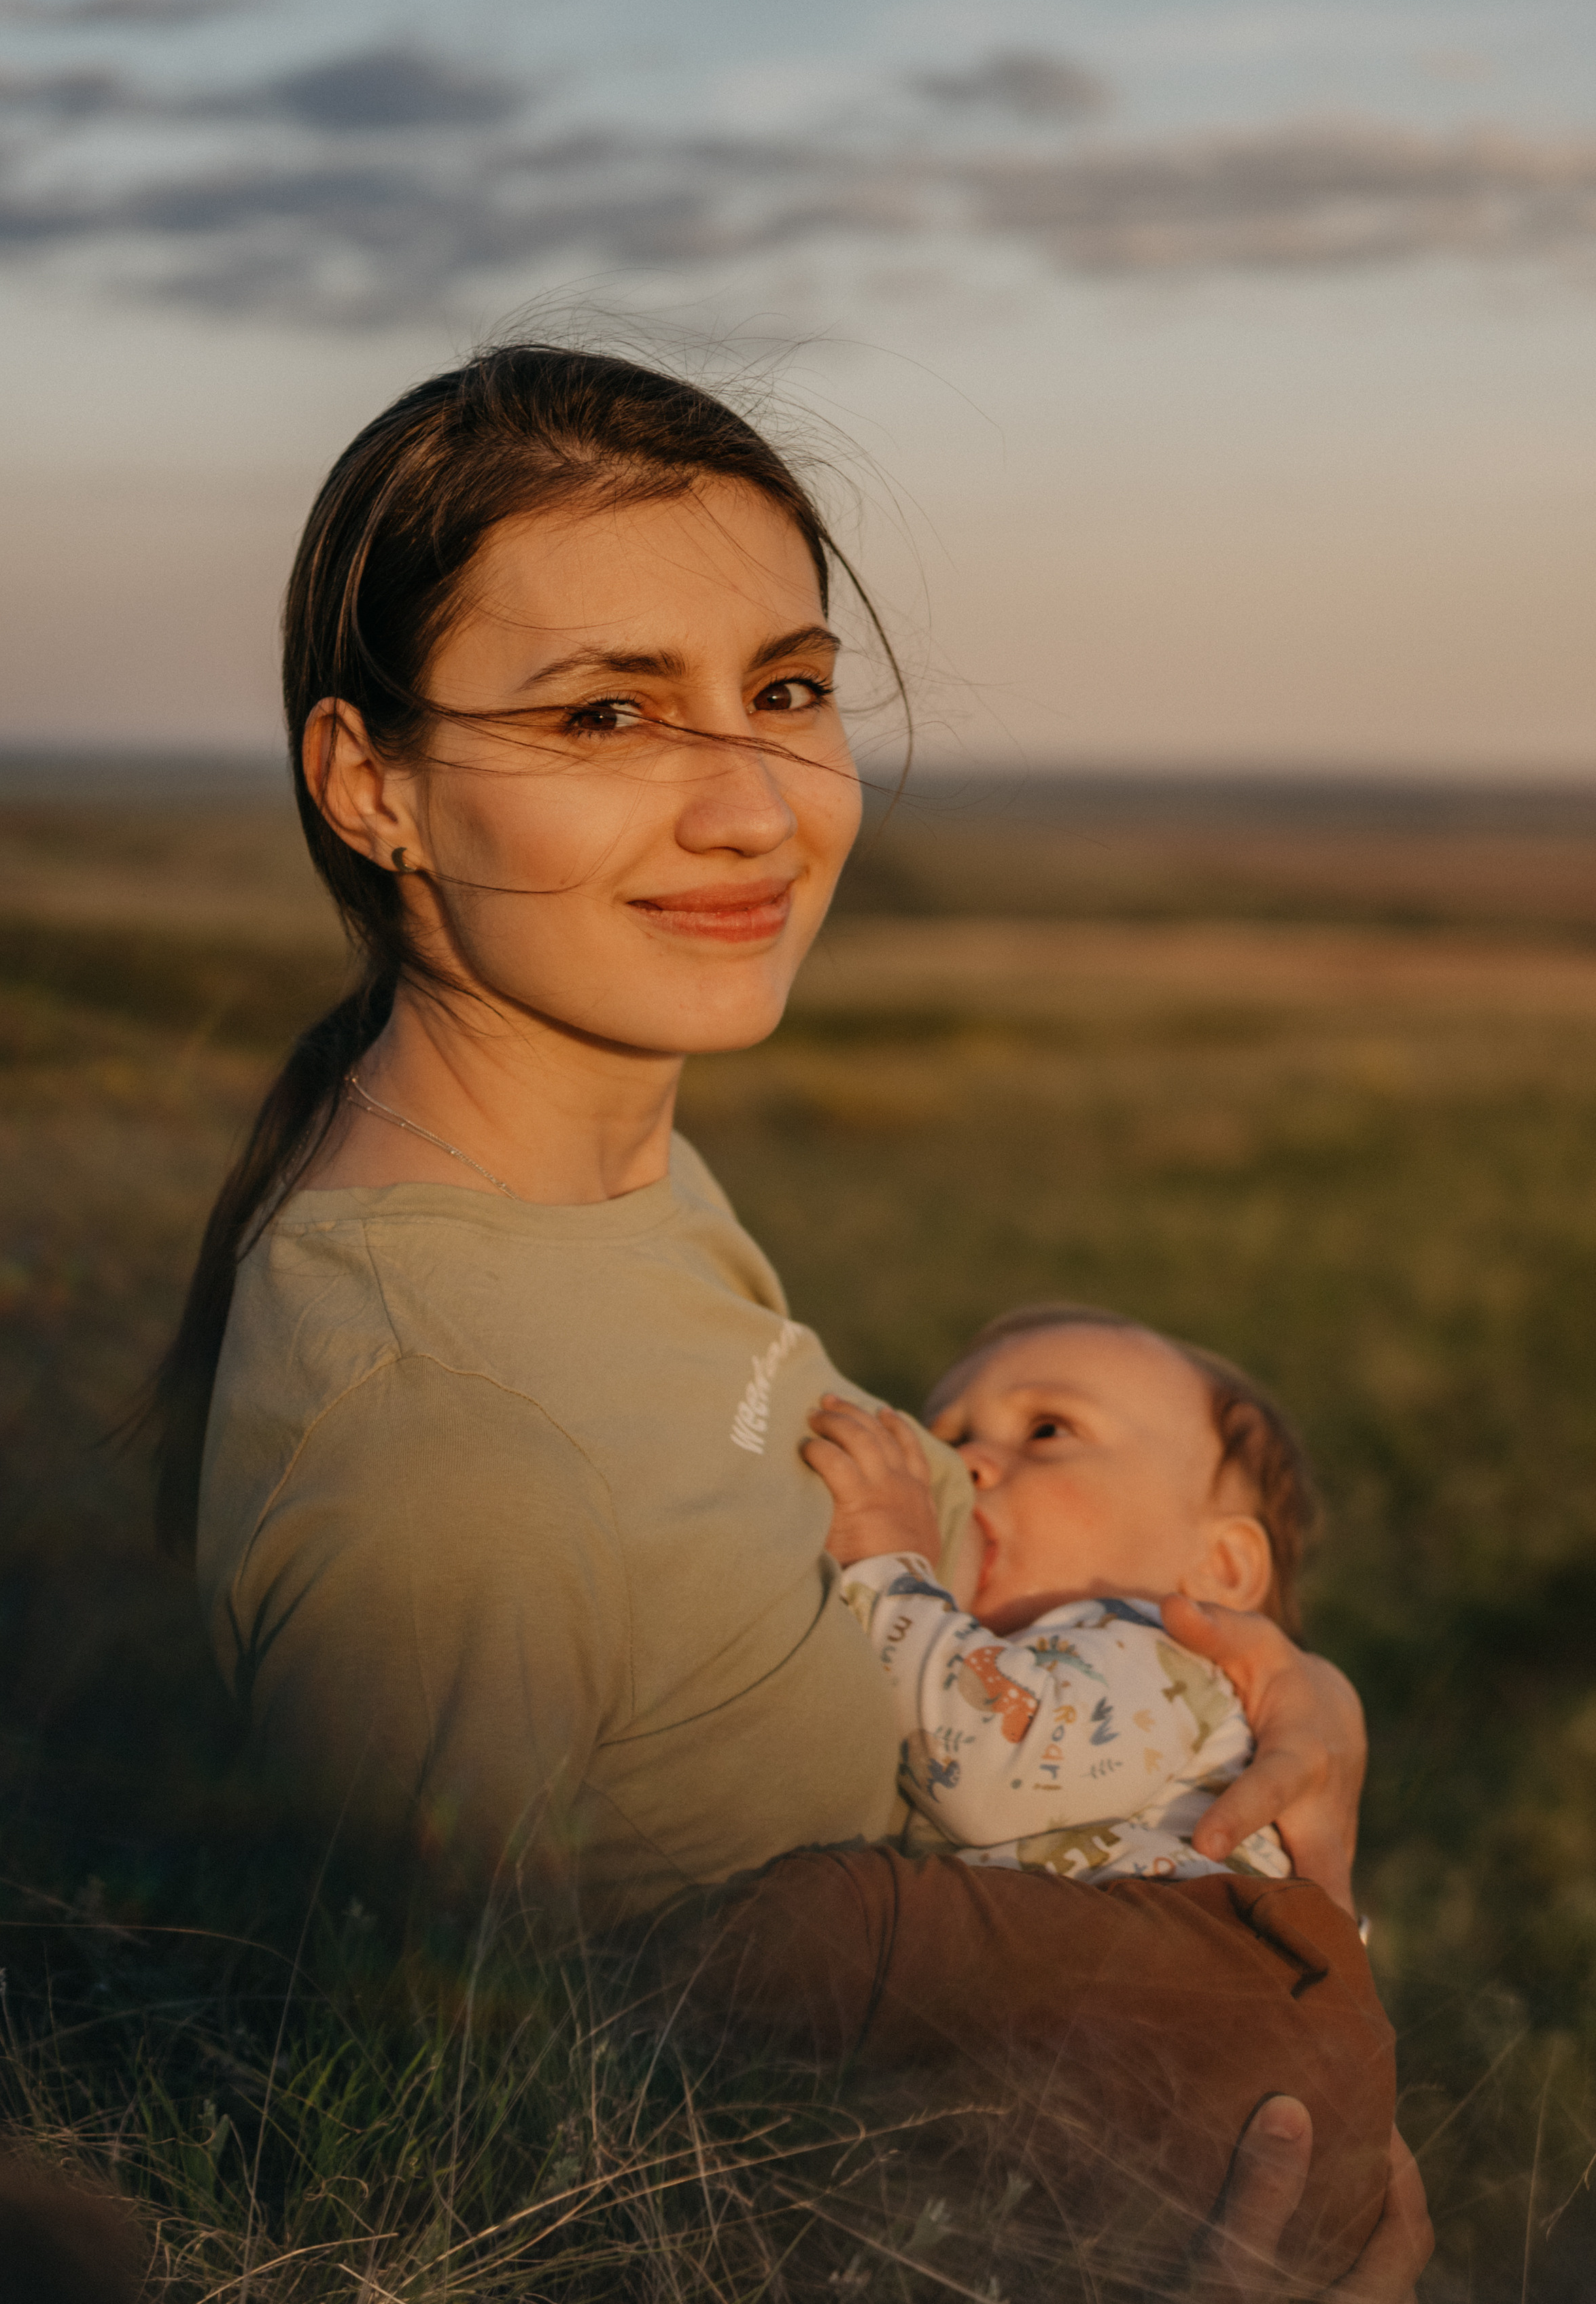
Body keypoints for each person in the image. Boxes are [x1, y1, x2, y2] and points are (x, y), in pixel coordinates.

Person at [153, 344, 1431, 2293]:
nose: (753, 807)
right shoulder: (444, 1457)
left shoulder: (613, 1176)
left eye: (786, 692)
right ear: (369, 783)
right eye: (604, 715)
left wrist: (1272, 1692)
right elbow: (432, 2203)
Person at [803, 1304, 1322, 1885]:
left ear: (1220, 1569)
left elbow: (995, 1774)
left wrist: (883, 1564)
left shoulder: (1164, 1658)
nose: (963, 1463)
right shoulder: (942, 1664)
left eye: (1047, 1431)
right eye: (946, 1442)